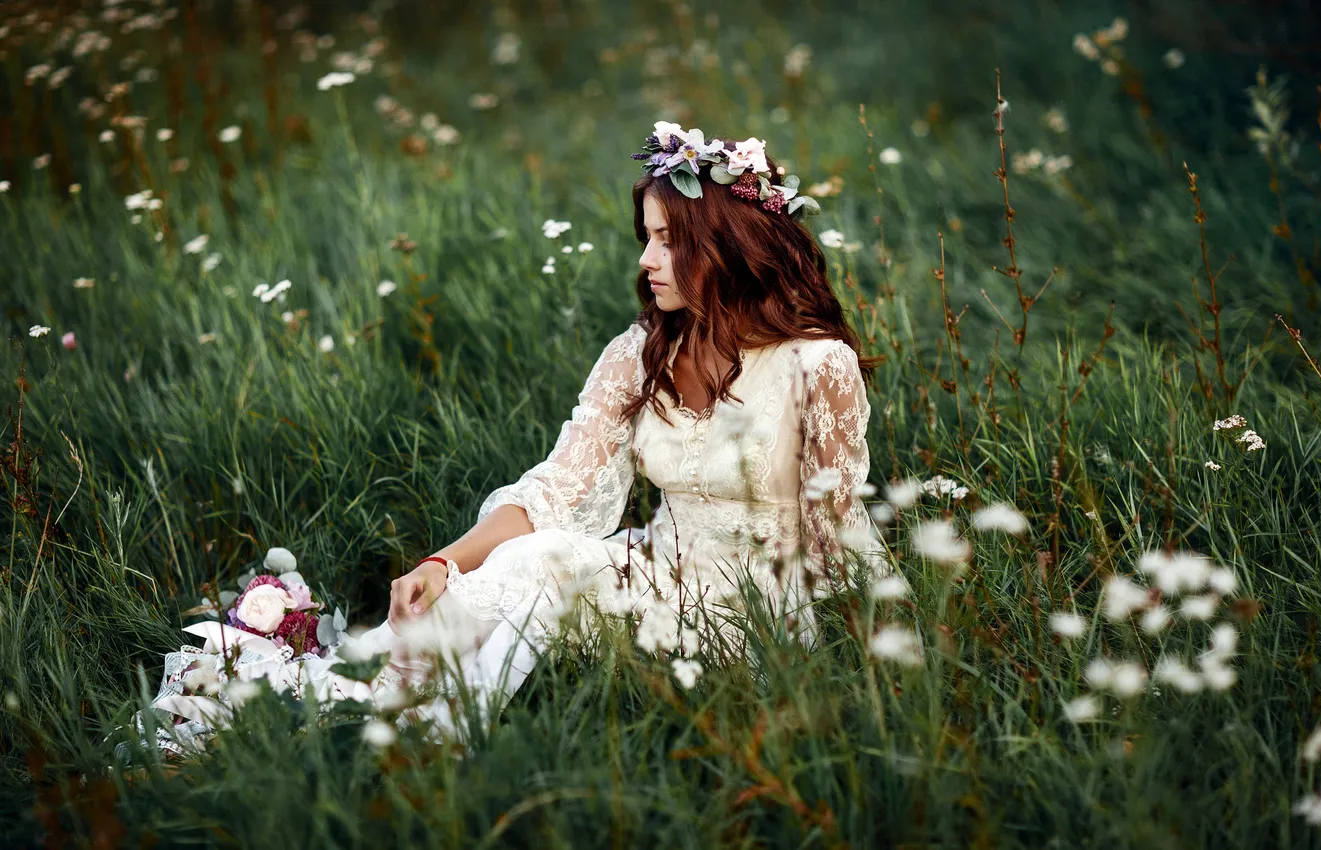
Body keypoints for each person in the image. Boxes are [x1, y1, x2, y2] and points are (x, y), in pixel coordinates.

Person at [141, 122, 889, 749]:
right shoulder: (641, 353)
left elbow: (838, 530)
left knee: (545, 570)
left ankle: (408, 732)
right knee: (537, 559)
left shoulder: (814, 365)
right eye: (646, 238)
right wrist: (441, 560)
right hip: (656, 571)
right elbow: (556, 490)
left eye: (668, 241)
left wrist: (861, 661)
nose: (645, 261)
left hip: (758, 608)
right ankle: (362, 702)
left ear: (726, 245)